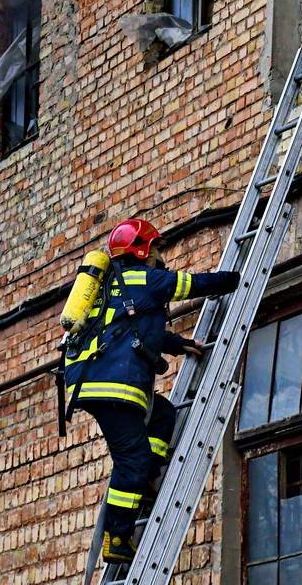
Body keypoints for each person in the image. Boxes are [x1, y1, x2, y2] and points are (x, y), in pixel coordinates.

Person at [62, 218, 240, 563]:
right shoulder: (148, 279)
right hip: (115, 385)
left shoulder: (110, 286)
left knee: (162, 414)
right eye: (156, 248)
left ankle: (145, 476)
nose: (160, 255)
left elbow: (133, 331)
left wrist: (180, 344)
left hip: (95, 381)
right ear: (143, 250)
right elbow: (196, 283)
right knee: (132, 459)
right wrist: (236, 279)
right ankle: (118, 538)